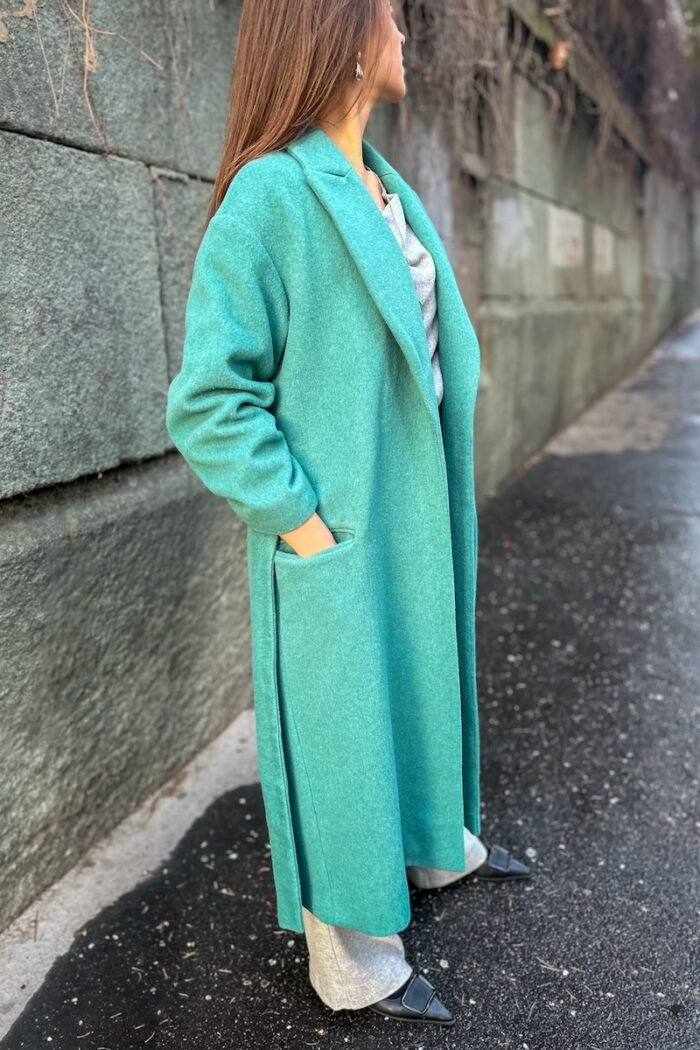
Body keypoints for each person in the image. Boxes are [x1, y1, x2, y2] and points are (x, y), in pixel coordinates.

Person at [166, 0, 530, 1027]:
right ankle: (355, 963)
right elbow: (207, 398)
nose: (407, 36)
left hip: (409, 506)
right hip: (336, 523)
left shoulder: (386, 189)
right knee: (339, 736)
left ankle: (431, 852)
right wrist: (303, 525)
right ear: (339, 35)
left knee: (416, 688)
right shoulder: (272, 196)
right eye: (392, 17)